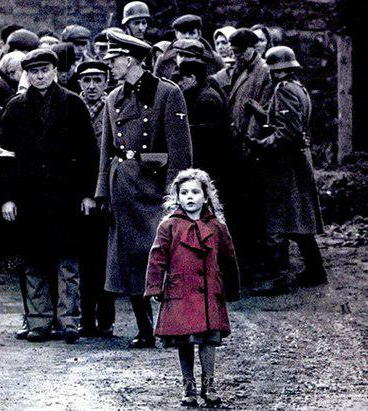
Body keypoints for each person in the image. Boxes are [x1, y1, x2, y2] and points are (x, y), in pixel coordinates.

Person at [96, 30, 192, 348]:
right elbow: (107, 151)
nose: (109, 65)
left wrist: (175, 195)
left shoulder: (167, 93)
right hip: (123, 189)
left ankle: (173, 327)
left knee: (162, 258)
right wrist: (103, 192)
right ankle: (145, 328)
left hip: (154, 190)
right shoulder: (114, 98)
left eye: (114, 60)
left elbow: (180, 150)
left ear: (130, 60)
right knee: (128, 260)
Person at [0, 49, 97, 344]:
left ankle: (69, 320)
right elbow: (5, 156)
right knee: (34, 261)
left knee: (68, 261)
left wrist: (88, 194)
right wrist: (7, 197)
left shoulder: (73, 104)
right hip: (29, 197)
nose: (39, 76)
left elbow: (89, 153)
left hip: (67, 195)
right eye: (34, 71)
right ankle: (38, 320)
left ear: (55, 71)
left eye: (44, 70)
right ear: (26, 74)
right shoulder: (16, 107)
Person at [144, 168, 240, 407]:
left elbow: (229, 259)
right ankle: (188, 387)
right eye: (184, 192)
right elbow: (157, 258)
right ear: (177, 197)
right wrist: (154, 287)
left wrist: (231, 288)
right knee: (184, 340)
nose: (190, 197)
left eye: (195, 192)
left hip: (209, 293)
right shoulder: (169, 226)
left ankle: (209, 385)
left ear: (206, 197)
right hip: (180, 292)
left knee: (208, 340)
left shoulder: (217, 227)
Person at [247, 46, 327, 295]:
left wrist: (259, 144)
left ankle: (277, 278)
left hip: (284, 165)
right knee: (299, 217)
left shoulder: (284, 90)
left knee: (277, 220)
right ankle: (315, 270)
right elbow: (289, 122)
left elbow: (287, 133)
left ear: (276, 71)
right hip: (296, 162)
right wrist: (263, 114)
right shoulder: (298, 88)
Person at [224, 28, 272, 287]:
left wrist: (250, 144)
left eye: (240, 52)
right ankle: (244, 267)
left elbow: (261, 113)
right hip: (236, 148)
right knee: (240, 211)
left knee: (253, 213)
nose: (236, 56)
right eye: (234, 52)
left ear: (253, 49)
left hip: (250, 150)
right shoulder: (238, 70)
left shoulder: (263, 72)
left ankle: (257, 268)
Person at [76, 61, 115, 337]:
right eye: (86, 80)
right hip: (78, 193)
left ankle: (106, 318)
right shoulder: (73, 107)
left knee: (105, 257)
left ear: (106, 82)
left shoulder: (113, 106)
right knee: (82, 258)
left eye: (97, 80)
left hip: (106, 193)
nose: (92, 86)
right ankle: (85, 317)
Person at [174, 60, 228, 186]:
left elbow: (205, 134)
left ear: (193, 78)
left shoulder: (206, 99)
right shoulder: (201, 94)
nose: (180, 83)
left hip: (208, 161)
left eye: (182, 79)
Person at [154, 14, 224, 79]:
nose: (187, 36)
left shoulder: (215, 60)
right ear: (176, 34)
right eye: (183, 32)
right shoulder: (163, 60)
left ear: (199, 34)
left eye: (192, 33)